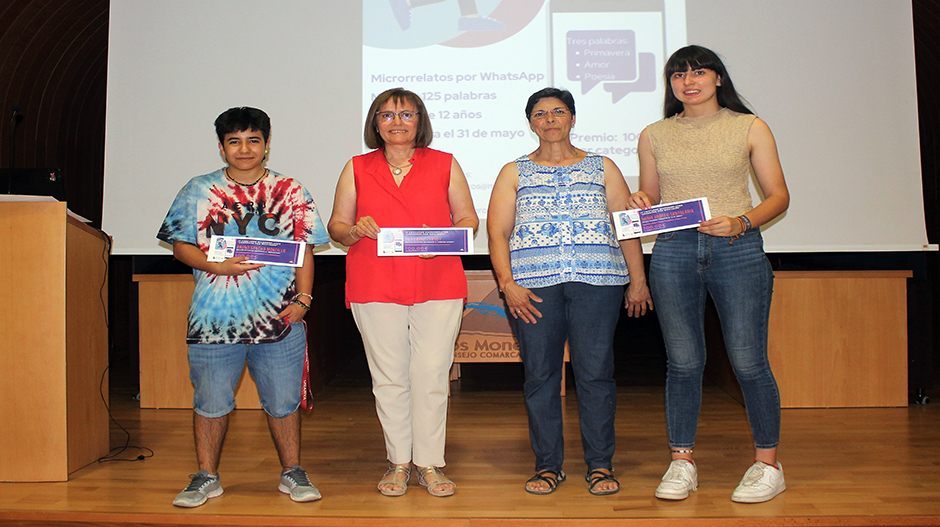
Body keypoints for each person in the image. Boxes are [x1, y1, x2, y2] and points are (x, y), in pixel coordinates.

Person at [629, 45, 790, 503]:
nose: (689, 81)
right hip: (675, 249)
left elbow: (778, 196)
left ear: (718, 78)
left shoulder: (749, 126)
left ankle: (767, 465)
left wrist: (741, 221)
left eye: (699, 71)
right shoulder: (654, 134)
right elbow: (652, 196)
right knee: (683, 362)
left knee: (747, 361)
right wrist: (642, 201)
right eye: (678, 75)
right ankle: (682, 462)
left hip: (736, 248)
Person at [158, 107, 330, 508]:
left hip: (280, 320)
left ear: (267, 145)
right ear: (222, 148)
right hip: (214, 320)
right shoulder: (197, 190)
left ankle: (292, 472)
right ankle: (206, 476)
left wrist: (304, 300)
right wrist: (213, 265)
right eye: (234, 141)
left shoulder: (291, 190)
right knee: (211, 402)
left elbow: (304, 250)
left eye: (253, 140)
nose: (245, 149)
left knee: (284, 402)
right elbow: (180, 246)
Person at [487, 87, 653, 496]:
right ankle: (548, 467)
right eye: (540, 113)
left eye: (558, 111)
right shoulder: (514, 171)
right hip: (532, 289)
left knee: (596, 374)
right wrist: (507, 285)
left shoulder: (602, 167)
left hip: (598, 283)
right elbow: (497, 231)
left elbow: (624, 224)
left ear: (573, 119)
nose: (550, 119)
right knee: (540, 376)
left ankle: (600, 466)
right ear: (531, 123)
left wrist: (638, 279)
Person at [327, 88, 478, 497]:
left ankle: (429, 464)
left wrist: (441, 239)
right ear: (375, 123)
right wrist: (354, 230)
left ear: (420, 121)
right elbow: (336, 227)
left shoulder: (445, 163)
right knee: (389, 377)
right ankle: (398, 462)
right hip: (374, 282)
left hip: (437, 282)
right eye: (387, 114)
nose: (397, 121)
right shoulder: (356, 167)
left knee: (430, 374)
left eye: (406, 114)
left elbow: (468, 221)